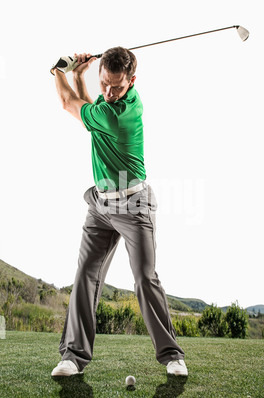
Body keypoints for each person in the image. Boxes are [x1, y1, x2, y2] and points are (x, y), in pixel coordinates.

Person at [50, 47, 188, 377]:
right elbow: (89, 112)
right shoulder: (108, 105)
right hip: (100, 205)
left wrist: (58, 71)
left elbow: (71, 104)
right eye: (105, 85)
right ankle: (73, 356)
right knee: (85, 273)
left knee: (144, 276)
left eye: (117, 87)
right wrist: (80, 75)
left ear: (132, 82)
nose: (109, 94)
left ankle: (172, 356)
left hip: (133, 204)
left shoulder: (120, 114)